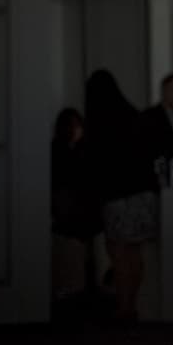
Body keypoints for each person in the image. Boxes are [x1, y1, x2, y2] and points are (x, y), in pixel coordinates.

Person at [84, 70, 173, 323]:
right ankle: (131, 304)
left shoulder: (99, 125)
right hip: (144, 196)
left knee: (119, 254)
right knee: (135, 253)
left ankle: (124, 307)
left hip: (117, 197)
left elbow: (96, 167)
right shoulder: (135, 117)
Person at [50, 107, 102, 315]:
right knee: (71, 258)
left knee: (76, 258)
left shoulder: (80, 150)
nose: (78, 130)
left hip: (79, 212)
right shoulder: (63, 151)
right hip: (70, 213)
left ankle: (77, 294)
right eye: (75, 125)